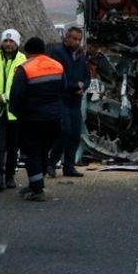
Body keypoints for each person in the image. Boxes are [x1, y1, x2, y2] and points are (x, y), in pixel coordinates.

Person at [9, 37, 64, 201]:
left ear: (27, 52)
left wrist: (16, 113)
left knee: (30, 153)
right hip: (54, 120)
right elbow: (64, 89)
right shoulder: (57, 66)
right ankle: (36, 184)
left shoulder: (24, 68)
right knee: (42, 151)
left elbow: (16, 96)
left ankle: (37, 190)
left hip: (31, 120)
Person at [47, 26, 90, 178]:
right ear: (67, 37)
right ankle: (51, 163)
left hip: (76, 100)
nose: (77, 42)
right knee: (64, 131)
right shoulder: (58, 53)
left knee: (75, 134)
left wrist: (83, 86)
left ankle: (69, 167)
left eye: (79, 39)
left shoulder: (80, 56)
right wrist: (74, 86)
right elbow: (59, 75)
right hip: (62, 98)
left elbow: (87, 76)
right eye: (74, 38)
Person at [0, 29, 27, 192]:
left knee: (13, 146)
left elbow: (19, 85)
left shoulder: (22, 60)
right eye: (6, 41)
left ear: (17, 43)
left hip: (14, 110)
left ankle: (10, 175)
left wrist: (5, 97)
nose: (8, 44)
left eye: (12, 41)